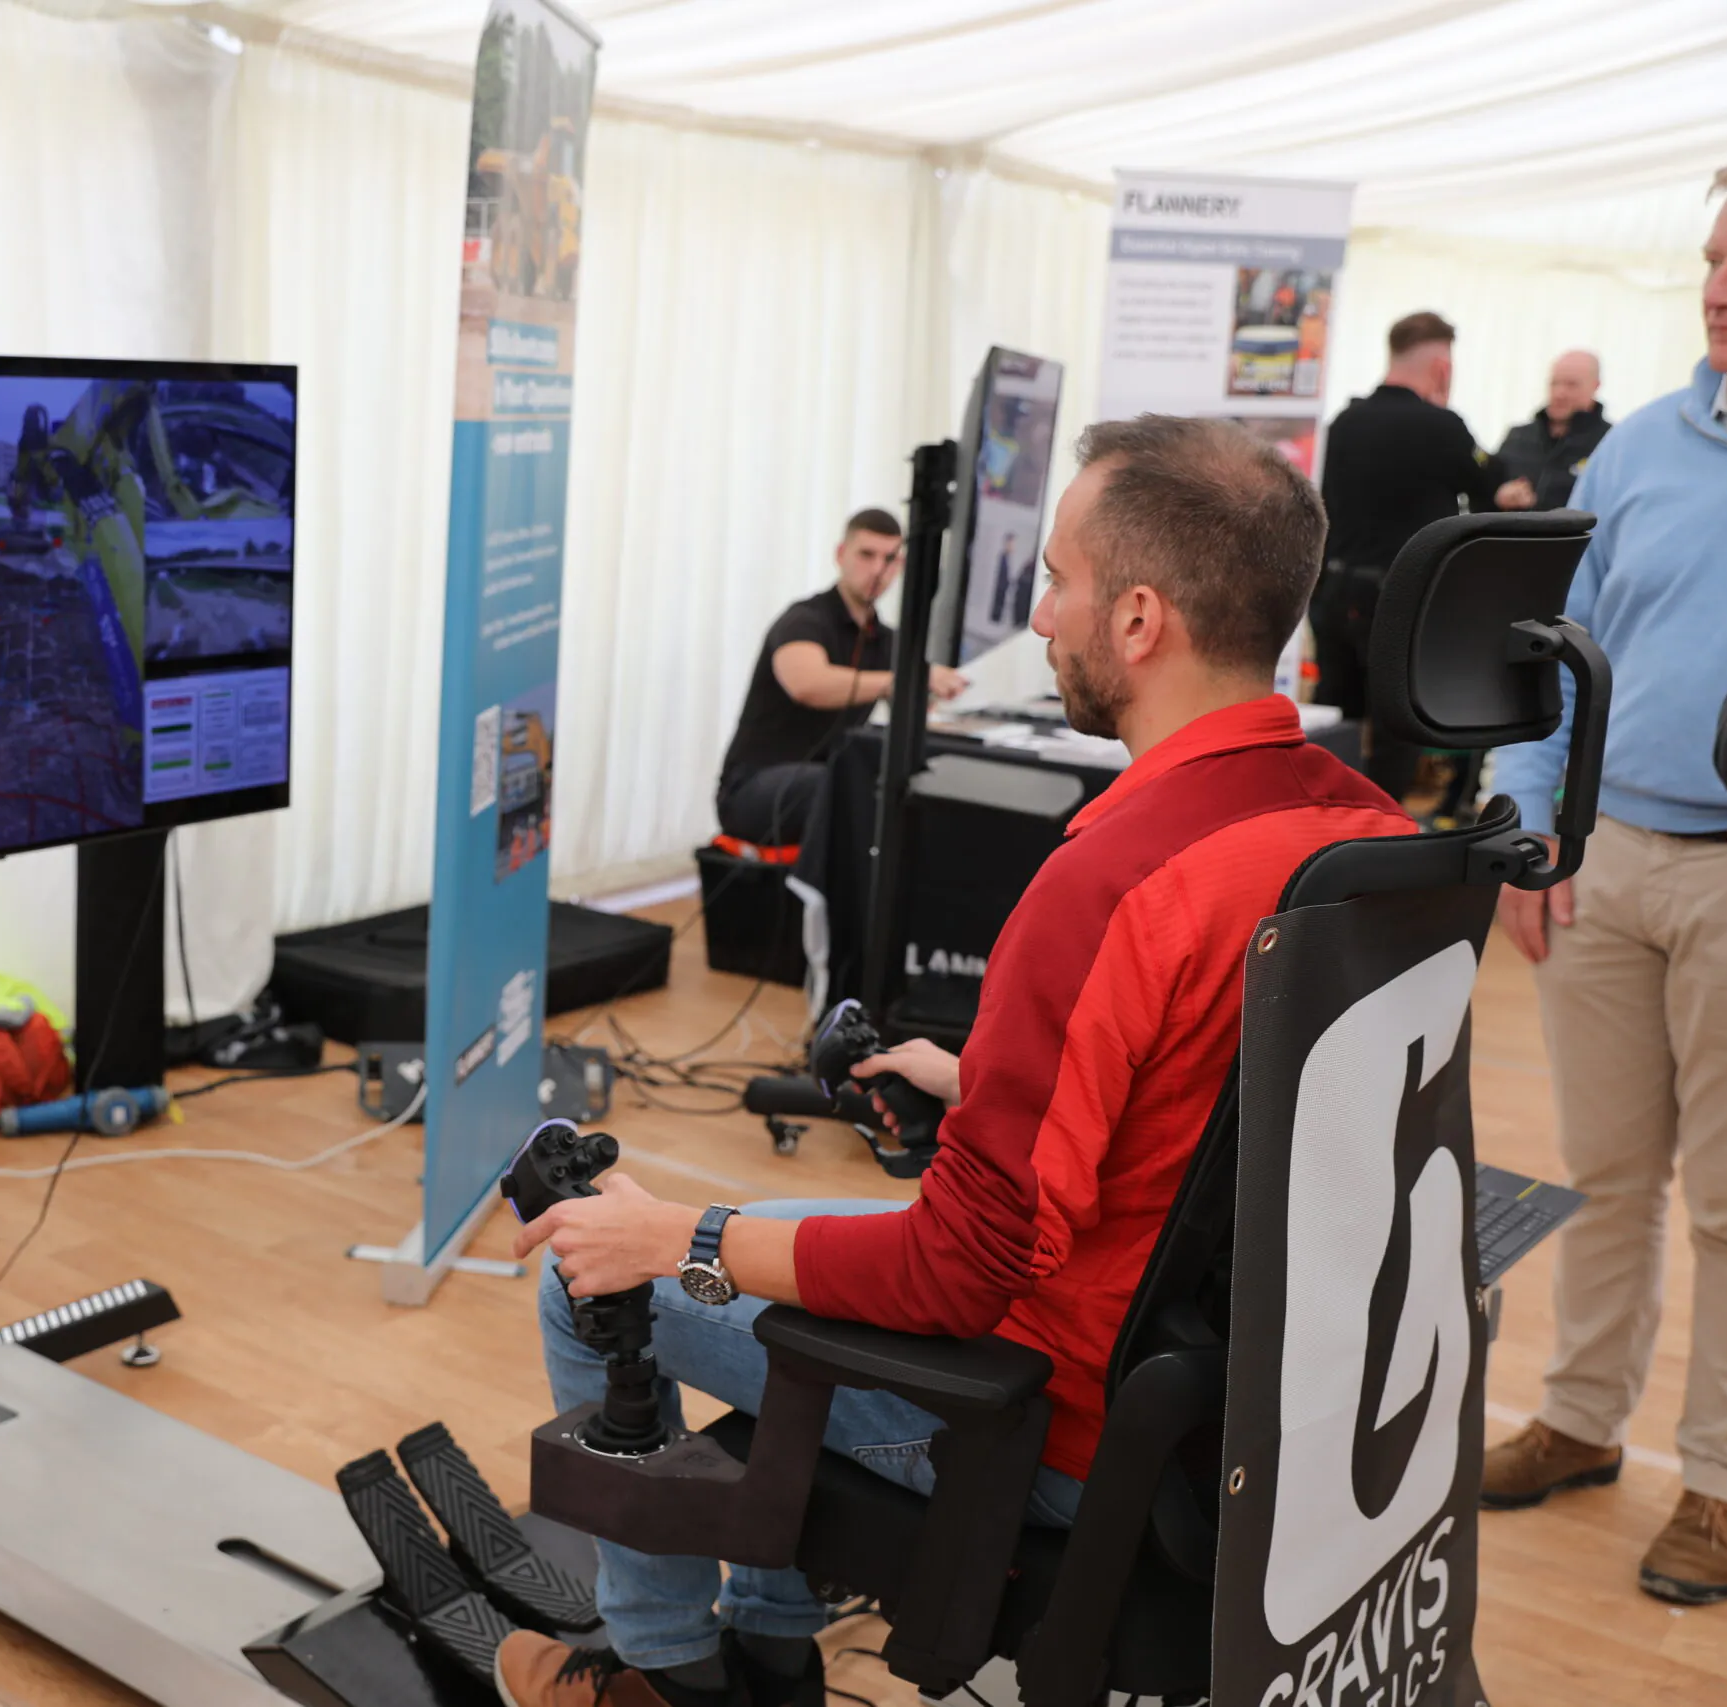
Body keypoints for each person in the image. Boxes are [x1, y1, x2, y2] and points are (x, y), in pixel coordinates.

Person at [497, 417, 1412, 1707]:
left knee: (593, 1269)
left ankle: (661, 1678)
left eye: (1057, 582)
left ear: (1137, 620)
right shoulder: (1364, 827)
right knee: (784, 1234)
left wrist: (677, 1237)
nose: (1040, 619)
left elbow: (956, 1268)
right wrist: (985, 1081)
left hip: (1038, 1410)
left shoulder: (1112, 881)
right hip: (1239, 1403)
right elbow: (1213, 1110)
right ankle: (768, 1648)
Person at [1480, 158, 1727, 1609]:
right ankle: (1581, 1421)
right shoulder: (1638, 448)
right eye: (1714, 260)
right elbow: (1547, 658)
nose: (1722, 290)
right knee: (1604, 1176)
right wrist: (1529, 824)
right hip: (1604, 863)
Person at [1313, 311, 1527, 803]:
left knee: (1336, 724)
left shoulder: (1343, 423)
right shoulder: (1442, 427)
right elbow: (1495, 488)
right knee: (1397, 730)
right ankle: (1383, 833)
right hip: (1399, 600)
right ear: (1441, 368)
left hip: (1336, 594)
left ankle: (1323, 830)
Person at [712, 510, 964, 847]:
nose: (878, 569)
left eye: (889, 559)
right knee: (841, 786)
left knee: (898, 785)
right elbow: (808, 685)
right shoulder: (803, 620)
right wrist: (905, 680)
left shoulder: (888, 642)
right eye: (866, 555)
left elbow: (918, 713)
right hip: (752, 790)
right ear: (841, 554)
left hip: (822, 781)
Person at [1494, 350, 1611, 512]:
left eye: (1571, 385)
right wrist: (1500, 496)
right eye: (1554, 383)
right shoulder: (1518, 437)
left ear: (1595, 386)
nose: (1559, 393)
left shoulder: (1609, 443)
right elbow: (1482, 495)